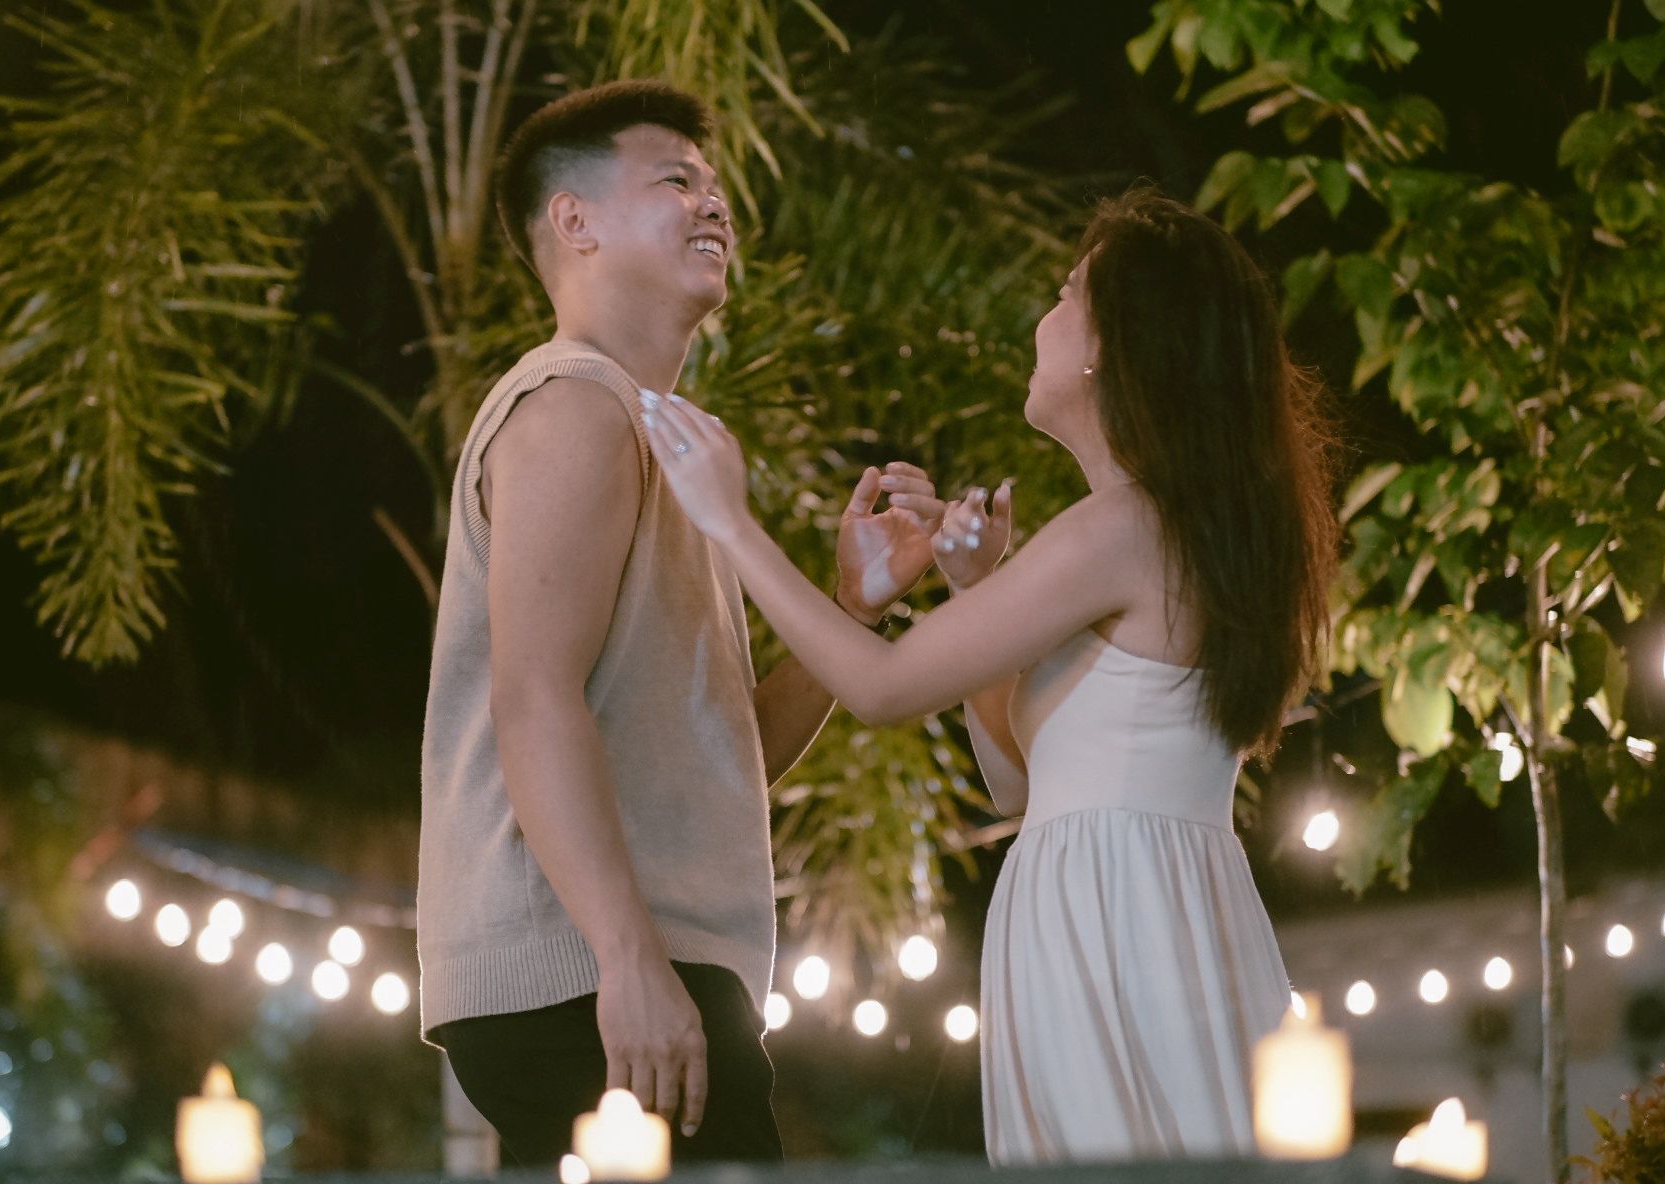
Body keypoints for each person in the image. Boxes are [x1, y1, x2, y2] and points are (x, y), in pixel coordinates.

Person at [642, 186, 1340, 1163]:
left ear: (1112, 345)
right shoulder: (1160, 527)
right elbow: (1017, 782)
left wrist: (729, 521)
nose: (1043, 316)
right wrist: (976, 588)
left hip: (1116, 914)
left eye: (1067, 294)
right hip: (1127, 902)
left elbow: (884, 688)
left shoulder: (1122, 527)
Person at [415, 80, 944, 1166]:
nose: (715, 203)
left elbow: (725, 749)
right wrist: (628, 958)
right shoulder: (573, 402)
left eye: (713, 185)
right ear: (575, 221)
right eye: (675, 180)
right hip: (585, 966)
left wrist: (848, 610)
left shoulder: (667, 437)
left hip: (647, 961)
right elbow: (532, 698)